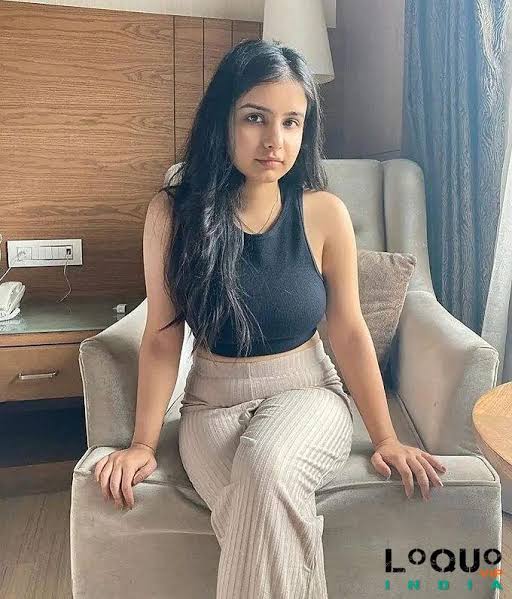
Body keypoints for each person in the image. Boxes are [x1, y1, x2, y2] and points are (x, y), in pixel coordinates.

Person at [93, 38, 447, 599]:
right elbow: (163, 335)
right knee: (255, 507)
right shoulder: (172, 215)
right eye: (255, 117)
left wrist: (386, 437)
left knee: (265, 465)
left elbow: (349, 331)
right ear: (223, 120)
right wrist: (142, 443)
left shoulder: (324, 212)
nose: (274, 141)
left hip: (309, 394)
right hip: (211, 406)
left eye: (291, 122)